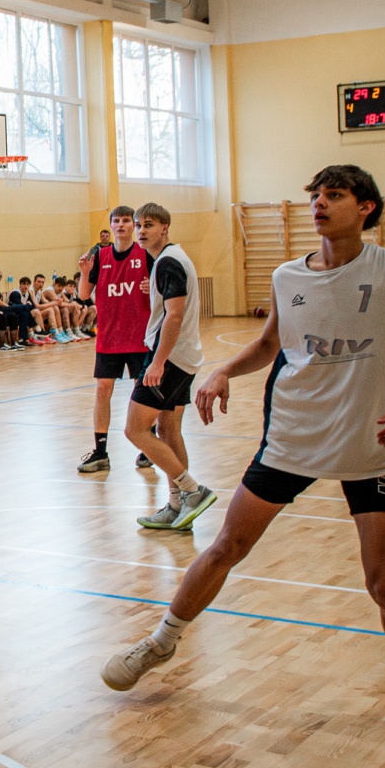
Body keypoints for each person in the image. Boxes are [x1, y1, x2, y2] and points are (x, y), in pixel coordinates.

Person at [102, 165, 385, 737]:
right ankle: (161, 640)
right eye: (315, 195)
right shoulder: (287, 275)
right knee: (226, 547)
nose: (319, 204)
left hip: (367, 443)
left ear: (366, 207)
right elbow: (270, 344)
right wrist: (224, 370)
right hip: (291, 438)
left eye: (334, 195)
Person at [122, 203, 215, 530]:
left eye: (148, 224)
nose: (141, 230)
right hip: (184, 357)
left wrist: (158, 362)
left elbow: (174, 317)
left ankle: (192, 491)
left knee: (135, 429)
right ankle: (177, 507)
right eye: (138, 225)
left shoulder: (168, 262)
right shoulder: (171, 259)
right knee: (168, 429)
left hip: (170, 359)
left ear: (165, 228)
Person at [77, 205, 152, 474]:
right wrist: (85, 272)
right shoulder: (100, 256)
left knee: (141, 391)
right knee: (102, 390)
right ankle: (100, 452)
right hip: (109, 337)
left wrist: (152, 288)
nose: (120, 225)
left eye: (126, 220)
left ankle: (148, 445)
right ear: (110, 226)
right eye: (116, 221)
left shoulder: (146, 254)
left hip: (139, 337)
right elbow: (83, 295)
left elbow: (163, 292)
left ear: (134, 225)